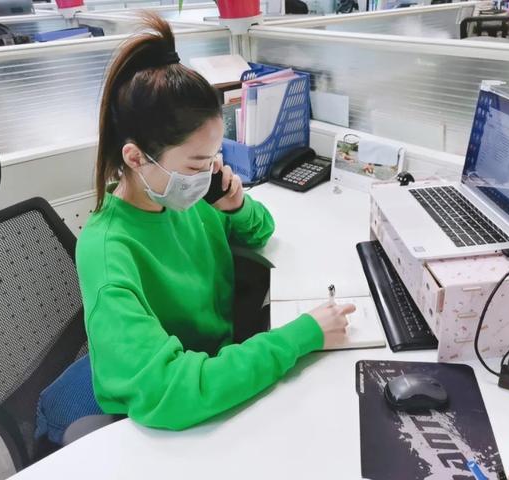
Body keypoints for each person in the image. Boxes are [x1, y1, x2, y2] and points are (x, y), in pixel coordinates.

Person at [75, 13, 356, 430]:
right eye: (195, 164)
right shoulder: (107, 249)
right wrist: (301, 336)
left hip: (217, 363)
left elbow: (260, 230)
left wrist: (236, 204)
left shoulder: (189, 198)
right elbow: (170, 390)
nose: (207, 175)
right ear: (135, 157)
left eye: (213, 159)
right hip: (179, 399)